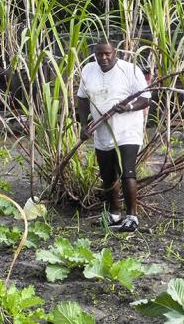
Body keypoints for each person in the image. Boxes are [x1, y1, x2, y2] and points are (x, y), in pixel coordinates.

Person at [76, 40, 150, 232]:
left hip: (127, 131)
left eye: (107, 54)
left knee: (127, 173)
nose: (104, 58)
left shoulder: (130, 70)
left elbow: (145, 98)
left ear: (114, 53)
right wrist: (84, 125)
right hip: (102, 133)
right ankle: (114, 215)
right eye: (100, 54)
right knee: (108, 177)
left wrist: (128, 107)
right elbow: (82, 99)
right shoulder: (88, 70)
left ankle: (132, 217)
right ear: (95, 54)